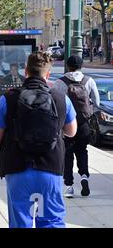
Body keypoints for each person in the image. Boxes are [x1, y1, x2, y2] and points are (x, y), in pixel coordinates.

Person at [0, 52, 78, 228]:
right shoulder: (61, 99)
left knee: (20, 221)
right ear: (47, 74)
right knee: (52, 220)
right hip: (50, 167)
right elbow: (72, 132)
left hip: (17, 168)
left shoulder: (8, 99)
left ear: (26, 71)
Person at [53, 55, 100, 198]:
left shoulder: (60, 82)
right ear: (81, 66)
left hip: (67, 124)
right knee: (82, 151)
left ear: (67, 66)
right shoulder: (89, 81)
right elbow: (96, 102)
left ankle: (69, 186)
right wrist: (88, 114)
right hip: (84, 124)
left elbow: (56, 103)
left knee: (67, 153)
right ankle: (84, 176)